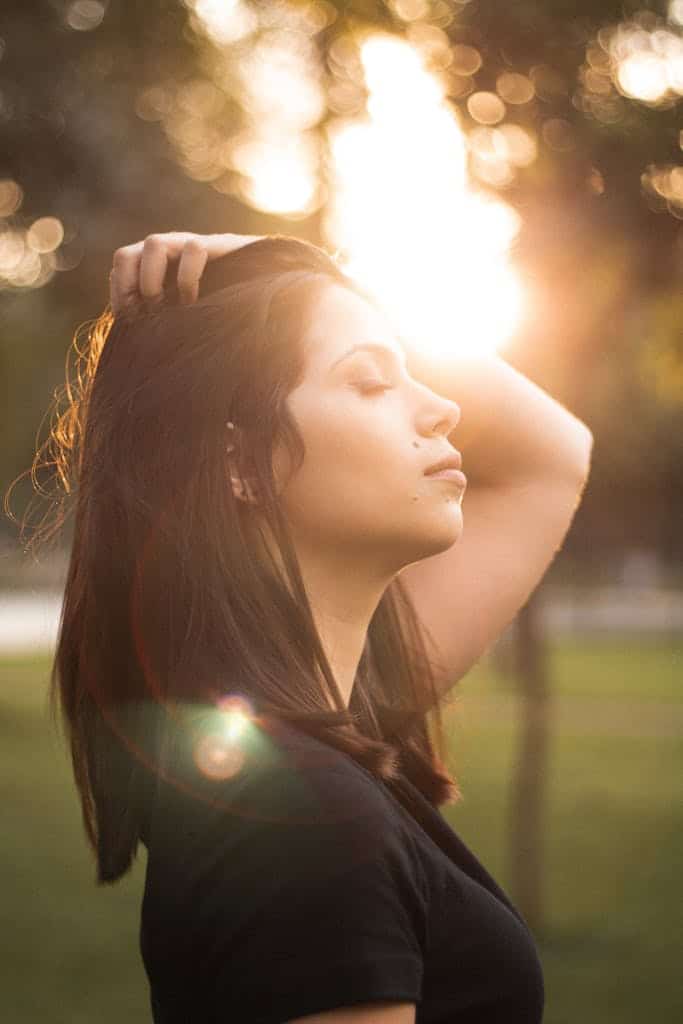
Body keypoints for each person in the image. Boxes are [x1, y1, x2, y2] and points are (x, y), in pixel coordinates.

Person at [37, 231, 593, 1023]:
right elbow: (551, 458)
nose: (443, 408)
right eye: (370, 382)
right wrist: (299, 274)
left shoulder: (333, 722)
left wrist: (291, 263)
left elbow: (553, 454)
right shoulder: (301, 816)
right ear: (240, 463)